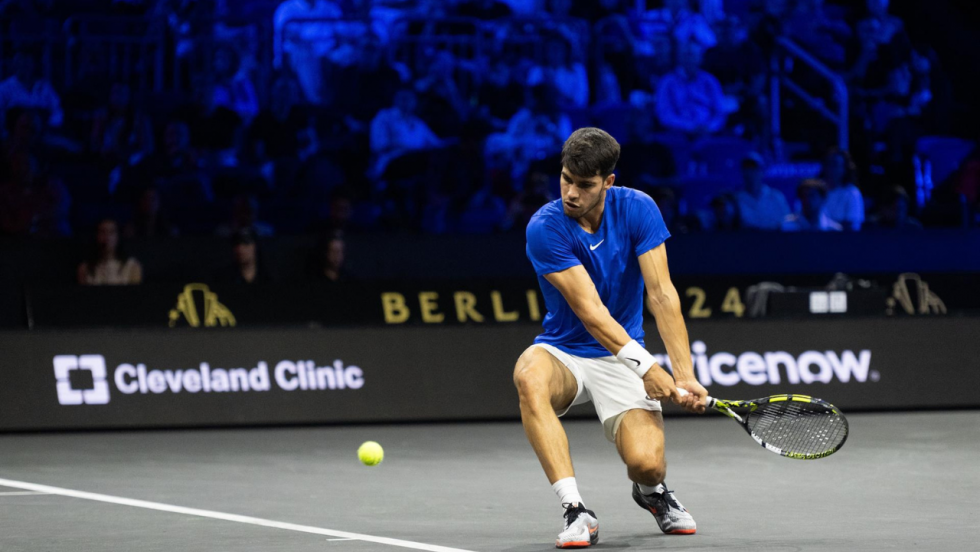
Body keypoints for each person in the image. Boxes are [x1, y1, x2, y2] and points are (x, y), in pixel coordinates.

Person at [516, 128, 706, 548]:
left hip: (619, 356)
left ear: (609, 182)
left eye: (584, 185)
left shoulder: (639, 209)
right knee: (529, 375)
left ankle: (652, 493)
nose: (570, 193)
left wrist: (685, 374)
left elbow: (661, 294)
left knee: (648, 464)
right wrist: (648, 366)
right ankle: (575, 510)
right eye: (566, 179)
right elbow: (592, 313)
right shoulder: (545, 228)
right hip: (565, 350)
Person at [654, 41, 727, 136]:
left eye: (692, 55)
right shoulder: (667, 82)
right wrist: (689, 127)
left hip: (708, 133)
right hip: (678, 134)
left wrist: (709, 127)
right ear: (679, 58)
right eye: (685, 55)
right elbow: (664, 114)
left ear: (701, 58)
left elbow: (720, 112)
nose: (689, 59)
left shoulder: (710, 81)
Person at [0, 51, 63, 129]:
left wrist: (49, 125)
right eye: (20, 62)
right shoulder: (4, 88)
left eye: (27, 63)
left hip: (44, 134)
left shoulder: (45, 87)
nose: (24, 66)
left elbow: (57, 110)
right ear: (14, 64)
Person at [77, 219, 143, 285]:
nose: (107, 237)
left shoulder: (132, 266)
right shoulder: (84, 268)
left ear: (118, 237)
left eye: (111, 232)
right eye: (103, 232)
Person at [734, 152, 790, 230]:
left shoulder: (777, 197)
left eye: (754, 168)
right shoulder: (735, 200)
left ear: (762, 171)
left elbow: (787, 224)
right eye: (747, 168)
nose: (750, 173)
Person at [820, 148, 865, 230]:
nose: (830, 168)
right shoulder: (816, 191)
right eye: (828, 164)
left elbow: (851, 226)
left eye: (835, 165)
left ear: (845, 169)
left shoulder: (852, 193)